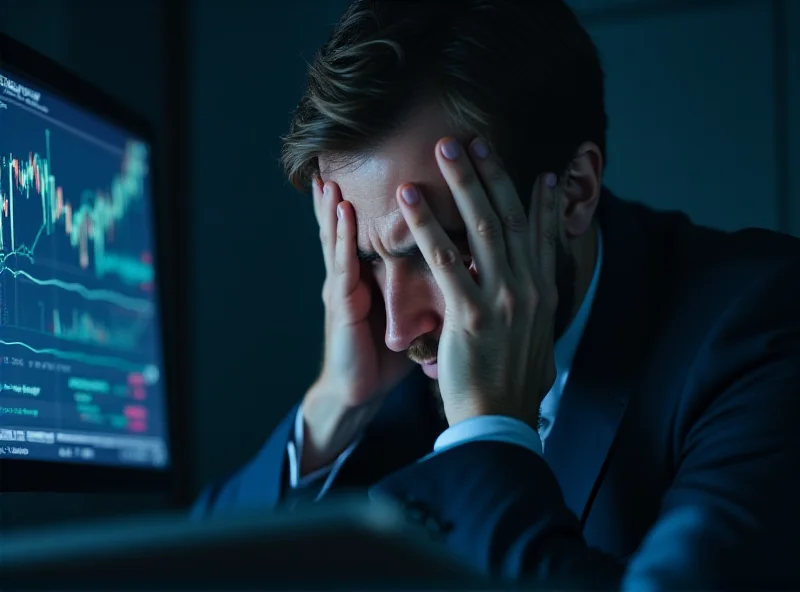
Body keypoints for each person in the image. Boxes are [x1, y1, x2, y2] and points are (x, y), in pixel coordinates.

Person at [191, 0, 800, 588]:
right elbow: (184, 570)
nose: (397, 331)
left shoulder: (763, 325)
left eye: (440, 252)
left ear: (575, 191)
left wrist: (488, 432)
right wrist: (337, 405)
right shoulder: (390, 383)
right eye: (367, 258)